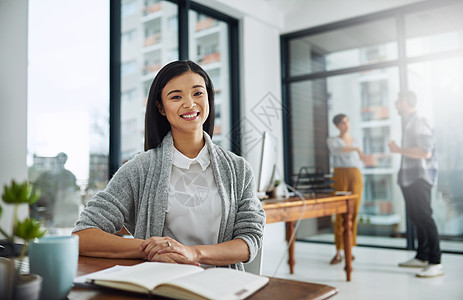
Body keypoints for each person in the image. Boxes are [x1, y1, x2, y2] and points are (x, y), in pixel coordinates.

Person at [72, 60, 266, 270]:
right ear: (161, 108)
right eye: (176, 97)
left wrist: (193, 253)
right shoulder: (139, 169)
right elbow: (83, 234)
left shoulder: (238, 169)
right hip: (161, 284)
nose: (190, 103)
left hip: (220, 285)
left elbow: (250, 239)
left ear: (209, 97)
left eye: (198, 93)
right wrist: (150, 249)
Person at [388, 91, 443, 278]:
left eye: (397, 101)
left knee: (424, 216)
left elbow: (425, 152)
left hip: (420, 177)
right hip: (408, 177)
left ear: (404, 102)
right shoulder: (408, 122)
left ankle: (436, 262)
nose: (396, 104)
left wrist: (398, 150)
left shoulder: (419, 121)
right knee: (415, 216)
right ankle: (422, 256)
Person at [326, 114, 364, 265]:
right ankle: (338, 251)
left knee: (353, 212)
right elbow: (338, 151)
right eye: (342, 123)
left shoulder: (357, 140)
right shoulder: (332, 140)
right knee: (340, 212)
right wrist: (355, 149)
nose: (346, 125)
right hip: (340, 175)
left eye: (347, 121)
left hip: (355, 174)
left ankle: (350, 249)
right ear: (337, 126)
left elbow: (361, 159)